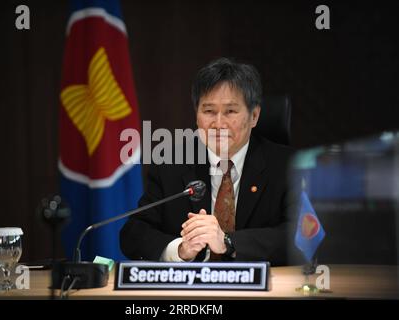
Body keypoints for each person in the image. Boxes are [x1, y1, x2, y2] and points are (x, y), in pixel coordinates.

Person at [120, 57, 295, 265]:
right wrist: (180, 249)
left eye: (230, 111)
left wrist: (228, 242)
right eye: (209, 111)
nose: (219, 123)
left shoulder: (287, 166)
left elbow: (301, 235)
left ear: (254, 116)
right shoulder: (171, 165)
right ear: (196, 116)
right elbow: (134, 233)